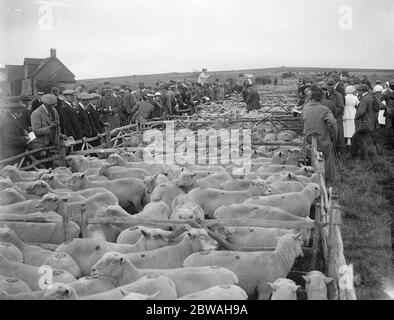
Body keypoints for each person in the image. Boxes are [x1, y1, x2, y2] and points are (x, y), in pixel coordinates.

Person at [302, 87, 338, 182]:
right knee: (327, 156)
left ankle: (313, 175)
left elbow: (302, 121)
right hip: (321, 138)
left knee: (312, 155)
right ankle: (327, 178)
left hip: (308, 138)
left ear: (311, 99)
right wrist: (333, 137)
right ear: (321, 99)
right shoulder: (324, 109)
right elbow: (332, 124)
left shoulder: (305, 108)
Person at [30, 94, 62, 159]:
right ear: (46, 104)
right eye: (52, 105)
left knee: (51, 163)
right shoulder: (36, 113)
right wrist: (50, 127)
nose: (53, 106)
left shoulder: (53, 110)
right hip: (41, 145)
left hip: (51, 144)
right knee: (43, 166)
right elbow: (36, 131)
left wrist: (60, 135)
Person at [351, 84, 377, 160]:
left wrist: (355, 117)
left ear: (362, 91)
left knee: (362, 140)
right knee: (356, 137)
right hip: (370, 122)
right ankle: (354, 155)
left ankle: (365, 158)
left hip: (364, 123)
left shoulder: (365, 99)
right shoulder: (371, 97)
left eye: (359, 91)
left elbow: (361, 112)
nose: (358, 92)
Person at [323, 78, 345, 156]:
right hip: (326, 118)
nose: (330, 87)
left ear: (334, 86)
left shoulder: (338, 95)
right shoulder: (324, 95)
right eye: (328, 86)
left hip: (336, 117)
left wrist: (333, 113)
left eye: (331, 86)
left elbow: (341, 107)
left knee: (338, 135)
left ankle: (338, 152)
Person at [379, 79, 394, 145]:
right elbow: (378, 101)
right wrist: (385, 107)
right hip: (389, 113)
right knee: (388, 128)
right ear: (390, 85)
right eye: (393, 85)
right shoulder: (385, 93)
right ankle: (387, 142)